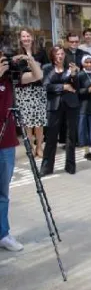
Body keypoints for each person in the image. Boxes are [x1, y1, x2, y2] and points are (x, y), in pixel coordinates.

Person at [0, 49, 40, 252]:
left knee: (3, 192)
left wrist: (28, 59)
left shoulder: (10, 81)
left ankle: (3, 234)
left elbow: (37, 76)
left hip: (6, 144)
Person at [40, 46, 81, 176]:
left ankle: (70, 166)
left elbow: (77, 87)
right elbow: (46, 85)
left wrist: (74, 75)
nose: (60, 56)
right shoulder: (47, 68)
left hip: (71, 104)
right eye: (57, 54)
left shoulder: (70, 68)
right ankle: (46, 167)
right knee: (51, 136)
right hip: (54, 105)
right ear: (52, 55)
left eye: (62, 53)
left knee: (71, 136)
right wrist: (64, 86)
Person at [14, 28, 48, 158]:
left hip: (38, 90)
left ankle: (39, 146)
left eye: (28, 36)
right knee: (27, 123)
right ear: (20, 38)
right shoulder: (17, 53)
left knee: (39, 122)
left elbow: (46, 69)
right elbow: (17, 72)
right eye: (23, 36)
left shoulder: (40, 52)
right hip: (24, 91)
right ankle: (31, 147)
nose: (26, 38)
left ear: (32, 37)